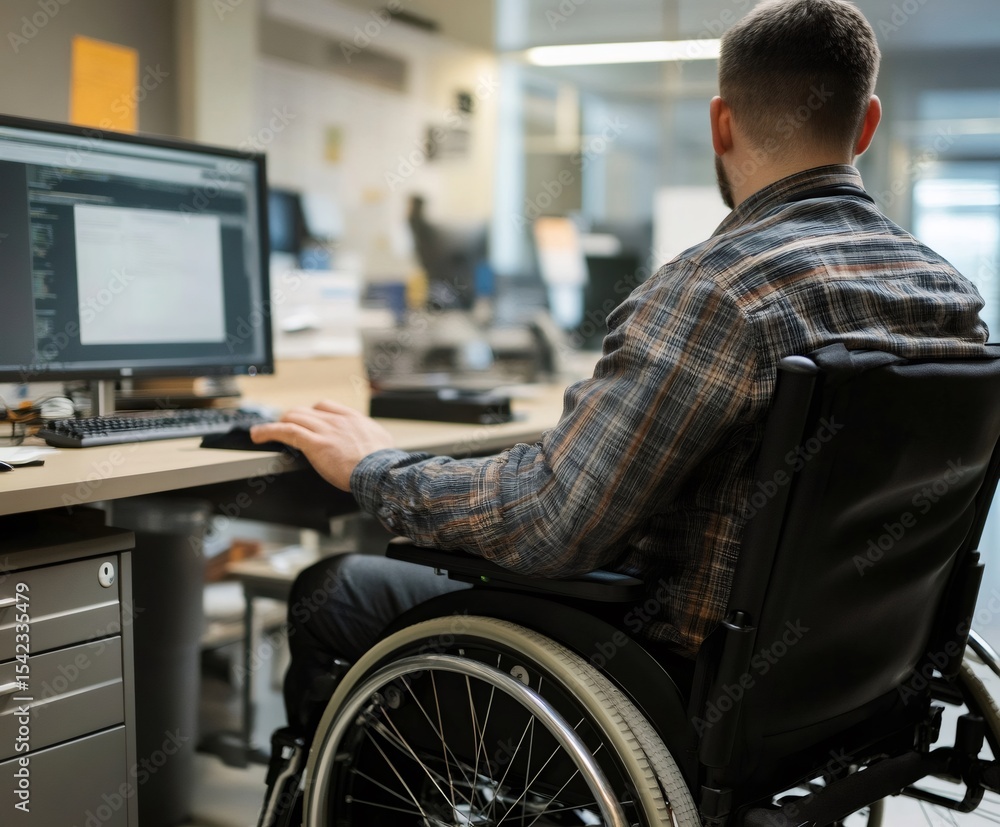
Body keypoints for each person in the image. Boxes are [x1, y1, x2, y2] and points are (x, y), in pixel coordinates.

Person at [251, 0, 989, 739]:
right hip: (850, 679)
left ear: (721, 124)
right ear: (867, 126)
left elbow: (552, 523)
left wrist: (378, 466)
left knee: (338, 589)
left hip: (670, 684)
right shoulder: (948, 296)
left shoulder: (717, 289)